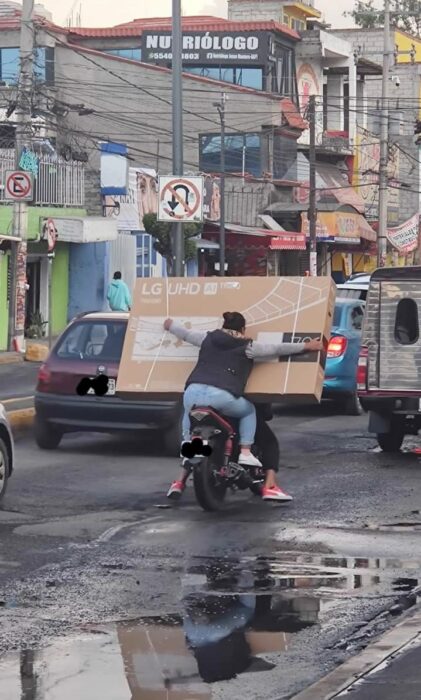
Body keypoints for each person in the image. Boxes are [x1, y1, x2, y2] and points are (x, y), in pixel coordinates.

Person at [164, 311, 323, 501]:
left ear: (224, 326)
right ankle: (246, 451)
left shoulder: (207, 338)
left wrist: (170, 324)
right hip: (222, 396)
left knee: (190, 420)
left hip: (193, 391)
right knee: (249, 410)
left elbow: (185, 334)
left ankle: (183, 465)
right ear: (242, 329)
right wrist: (308, 345)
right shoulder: (248, 347)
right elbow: (278, 348)